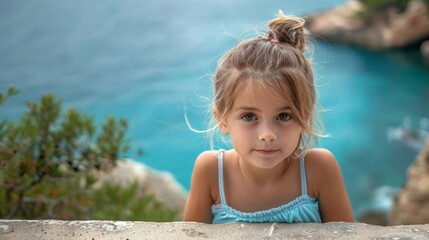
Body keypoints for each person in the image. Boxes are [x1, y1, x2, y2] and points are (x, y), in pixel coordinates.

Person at [183, 11, 354, 224]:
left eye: (284, 116)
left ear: (304, 118)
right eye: (248, 116)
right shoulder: (211, 171)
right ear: (222, 119)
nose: (267, 135)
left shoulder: (318, 169)